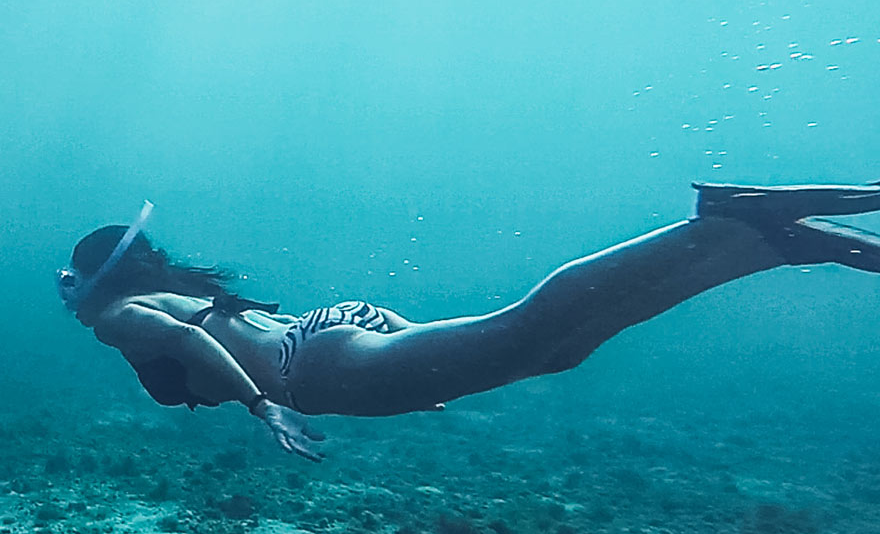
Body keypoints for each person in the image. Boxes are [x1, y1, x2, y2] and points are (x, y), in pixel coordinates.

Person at [56, 183, 880, 461]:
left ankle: (721, 225)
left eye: (67, 280)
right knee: (550, 352)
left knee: (525, 331)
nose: (63, 294)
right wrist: (412, 361)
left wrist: (263, 405)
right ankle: (765, 246)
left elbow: (189, 342)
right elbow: (204, 327)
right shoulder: (159, 290)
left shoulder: (118, 316)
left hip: (310, 371)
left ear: (94, 279)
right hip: (332, 329)